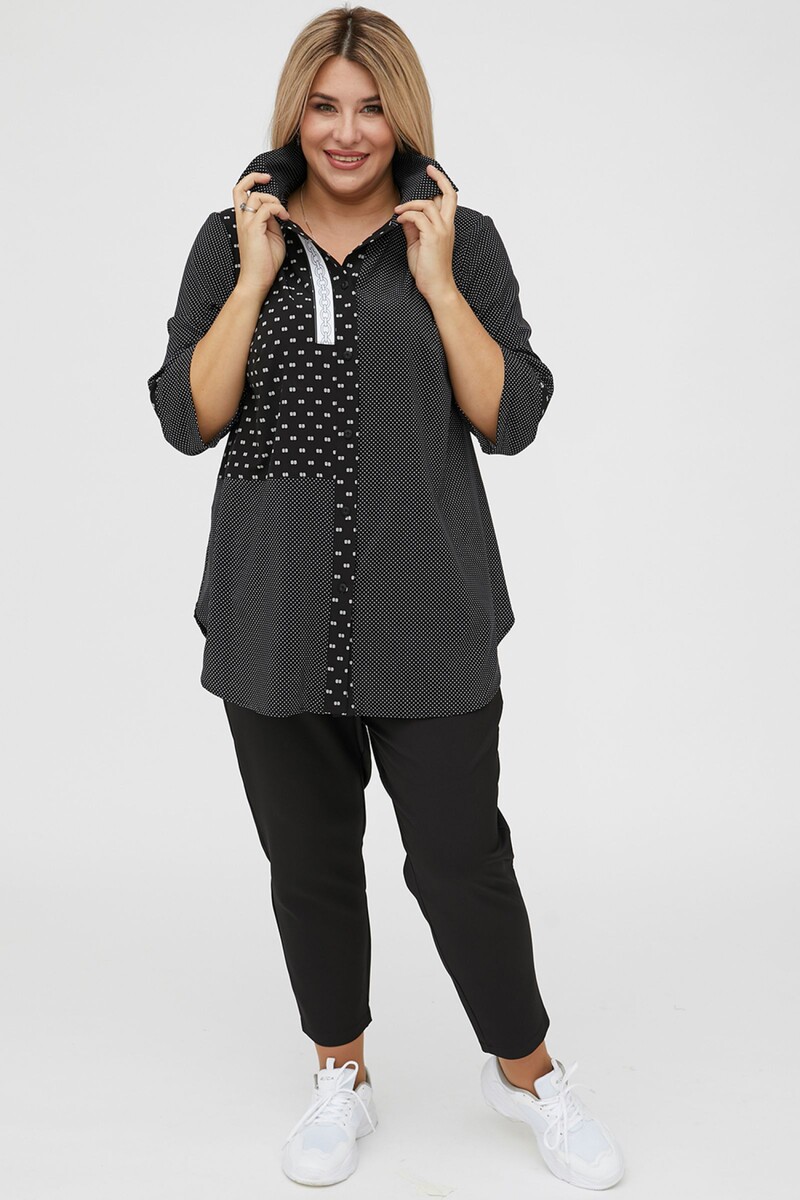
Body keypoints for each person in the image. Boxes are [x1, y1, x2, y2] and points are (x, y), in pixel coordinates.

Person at [147, 4, 624, 1191]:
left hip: (427, 599)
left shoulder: (462, 236)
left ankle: (526, 1075)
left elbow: (509, 416)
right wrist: (254, 279)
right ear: (294, 112)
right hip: (271, 603)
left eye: (370, 108)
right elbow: (187, 416)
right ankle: (340, 1076)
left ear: (402, 116)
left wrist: (440, 284)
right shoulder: (229, 236)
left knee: (459, 858)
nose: (347, 132)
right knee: (307, 859)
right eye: (323, 106)